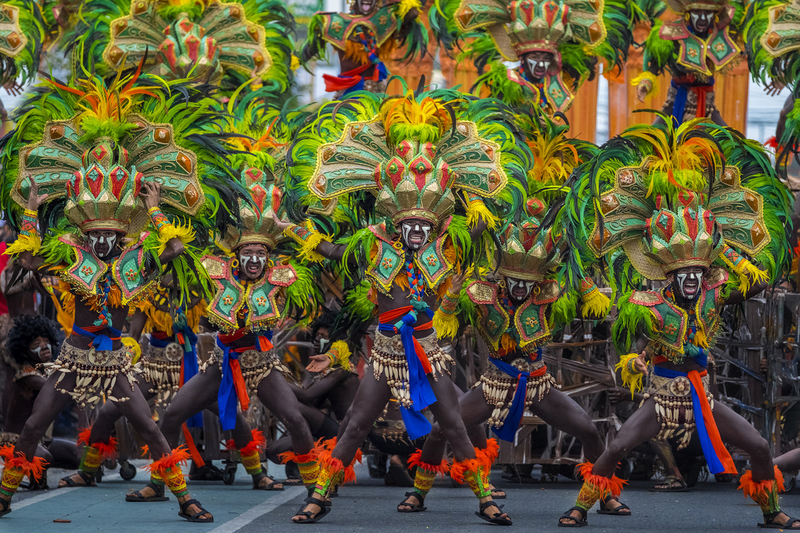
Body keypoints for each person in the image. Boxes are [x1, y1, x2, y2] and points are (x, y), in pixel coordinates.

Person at [280, 89, 529, 524]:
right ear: (398, 224)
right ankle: (319, 496)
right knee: (357, 424)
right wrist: (295, 233)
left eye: (423, 225)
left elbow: (482, 243)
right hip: (387, 348)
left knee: (452, 424)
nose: (416, 230)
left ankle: (485, 498)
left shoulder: (448, 248)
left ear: (432, 226)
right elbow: (335, 252)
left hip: (428, 351)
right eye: (409, 224)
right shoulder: (376, 247)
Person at [0, 69, 235, 523]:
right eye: (98, 234)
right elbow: (27, 263)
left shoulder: (134, 257)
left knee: (148, 425)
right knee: (32, 424)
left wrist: (154, 209)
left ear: (121, 231)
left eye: (112, 233)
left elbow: (177, 251)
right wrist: (30, 211)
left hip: (112, 358)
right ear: (86, 230)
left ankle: (185, 499)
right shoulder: (69, 252)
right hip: (73, 355)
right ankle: (6, 495)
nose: (104, 241)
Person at [558, 119, 796, 528]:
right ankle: (580, 506)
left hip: (703, 397)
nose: (691, 280)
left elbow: (757, 280)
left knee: (758, 445)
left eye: (697, 273)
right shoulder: (645, 304)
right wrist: (633, 362)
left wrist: (726, 253)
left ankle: (772, 511)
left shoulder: (715, 292)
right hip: (663, 397)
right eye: (684, 274)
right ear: (668, 276)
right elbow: (625, 346)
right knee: (616, 448)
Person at [399, 200, 630, 516]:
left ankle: (604, 495)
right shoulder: (481, 296)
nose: (520, 287)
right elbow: (445, 324)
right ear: (503, 275)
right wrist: (452, 294)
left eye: (527, 282)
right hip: (495, 383)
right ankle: (418, 493)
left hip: (537, 383)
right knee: (441, 429)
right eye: (514, 281)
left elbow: (594, 306)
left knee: (588, 429)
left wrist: (581, 272)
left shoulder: (549, 297)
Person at [433, 0, 638, 114]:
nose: (540, 64)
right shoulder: (506, 82)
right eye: (535, 57)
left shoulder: (558, 82)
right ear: (522, 58)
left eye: (545, 58)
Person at [633, 0, 743, 126]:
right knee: (648, 140)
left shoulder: (721, 35)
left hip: (708, 108)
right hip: (675, 104)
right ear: (688, 13)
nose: (702, 18)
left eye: (707, 13)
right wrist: (645, 85)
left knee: (734, 144)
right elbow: (653, 68)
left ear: (714, 15)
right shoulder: (671, 34)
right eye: (697, 12)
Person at [1, 314, 77, 490]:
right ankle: (17, 475)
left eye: (45, 341)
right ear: (24, 351)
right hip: (15, 440)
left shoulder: (45, 371)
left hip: (41, 440)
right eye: (36, 344)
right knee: (45, 458)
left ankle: (36, 475)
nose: (44, 347)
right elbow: (56, 389)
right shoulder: (27, 376)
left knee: (77, 455)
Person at [301, 0, 428, 96]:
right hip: (346, 91)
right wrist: (293, 61)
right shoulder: (335, 22)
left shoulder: (383, 20)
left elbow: (413, 12)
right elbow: (309, 50)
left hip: (374, 92)